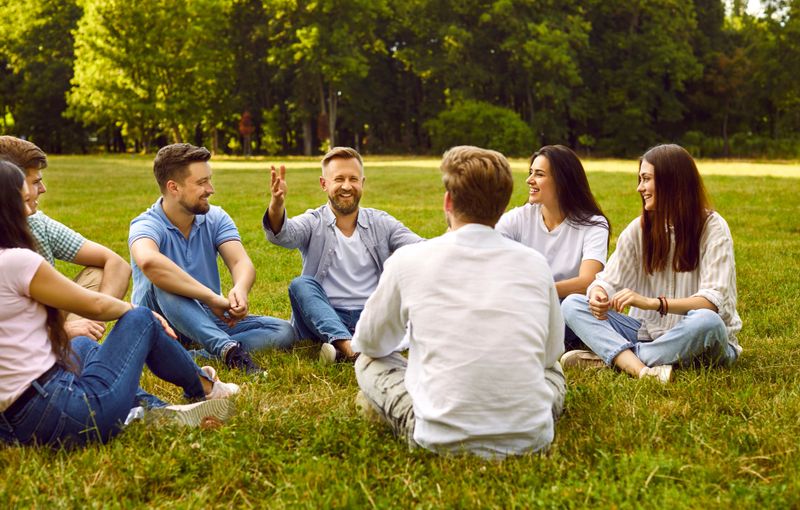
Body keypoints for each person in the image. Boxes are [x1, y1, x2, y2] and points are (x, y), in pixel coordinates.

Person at [0, 161, 238, 447]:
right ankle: (205, 388)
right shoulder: (15, 262)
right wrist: (138, 312)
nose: (31, 212)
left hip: (17, 424)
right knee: (142, 320)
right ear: (9, 208)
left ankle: (155, 411)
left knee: (82, 346)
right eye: (25, 203)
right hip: (63, 414)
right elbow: (95, 306)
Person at [352, 146, 566, 460]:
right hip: (530, 437)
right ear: (502, 206)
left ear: (448, 201)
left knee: (368, 362)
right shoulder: (535, 264)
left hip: (437, 438)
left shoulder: (409, 259)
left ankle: (386, 406)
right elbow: (550, 353)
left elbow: (369, 343)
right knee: (555, 371)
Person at [561, 144, 742, 383]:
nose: (640, 188)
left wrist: (652, 303)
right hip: (646, 333)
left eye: (646, 179)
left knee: (708, 322)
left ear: (671, 182)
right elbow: (606, 281)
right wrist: (598, 294)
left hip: (702, 338)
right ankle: (642, 362)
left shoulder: (713, 227)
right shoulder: (638, 229)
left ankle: (620, 360)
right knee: (573, 304)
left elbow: (711, 303)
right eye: (640, 179)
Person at [129, 143, 295, 374]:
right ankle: (229, 350)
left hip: (205, 318)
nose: (211, 188)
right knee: (166, 281)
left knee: (284, 331)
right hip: (160, 323)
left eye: (209, 179)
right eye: (201, 182)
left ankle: (191, 356)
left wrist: (240, 288)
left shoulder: (216, 217)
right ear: (173, 187)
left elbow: (240, 262)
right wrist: (210, 298)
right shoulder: (146, 224)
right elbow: (149, 262)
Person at [263, 147, 423, 364]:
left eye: (353, 179)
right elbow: (282, 235)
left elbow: (420, 247)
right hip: (323, 317)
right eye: (339, 179)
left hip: (370, 317)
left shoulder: (381, 222)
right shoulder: (314, 221)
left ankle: (339, 349)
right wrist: (277, 205)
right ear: (324, 184)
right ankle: (351, 349)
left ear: (362, 183)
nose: (347, 186)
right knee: (301, 284)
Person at [0, 136, 132, 341]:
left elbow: (116, 263)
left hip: (44, 323)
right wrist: (64, 331)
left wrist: (94, 320)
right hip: (15, 343)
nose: (43, 189)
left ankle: (77, 348)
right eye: (35, 182)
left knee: (98, 273)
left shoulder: (36, 223)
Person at [495, 144, 609, 350]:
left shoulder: (594, 225)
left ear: (562, 181)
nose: (529, 180)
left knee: (569, 308)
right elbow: (486, 248)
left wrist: (537, 290)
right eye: (531, 173)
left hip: (568, 311)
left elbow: (587, 281)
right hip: (526, 306)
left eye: (539, 174)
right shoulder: (519, 217)